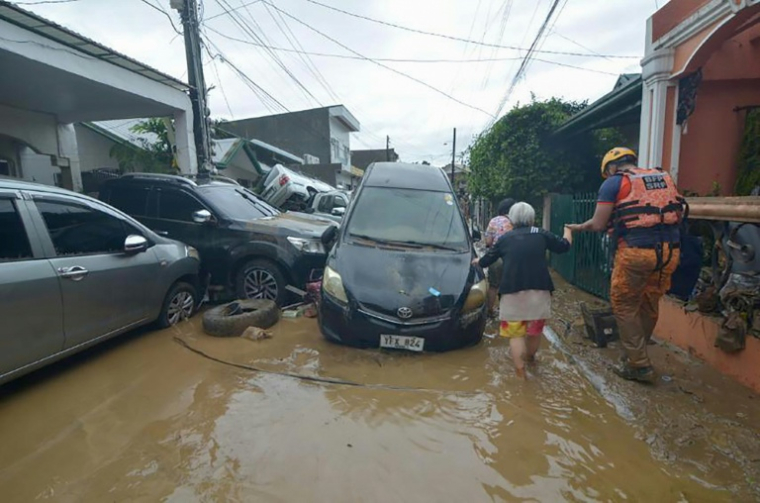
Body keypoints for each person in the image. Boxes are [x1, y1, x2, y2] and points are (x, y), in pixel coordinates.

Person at [566, 147, 685, 383]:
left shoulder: (614, 183)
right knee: (649, 302)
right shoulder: (662, 177)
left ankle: (638, 365)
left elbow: (599, 224)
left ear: (611, 168)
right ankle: (635, 354)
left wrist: (578, 227)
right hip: (670, 252)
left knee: (624, 305)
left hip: (636, 252)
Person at [474, 202, 572, 379]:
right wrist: (568, 230)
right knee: (534, 331)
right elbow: (564, 246)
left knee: (515, 334)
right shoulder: (541, 234)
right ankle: (531, 359)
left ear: (512, 219)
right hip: (539, 292)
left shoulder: (505, 238)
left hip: (511, 292)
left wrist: (476, 262)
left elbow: (487, 260)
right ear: (532, 218)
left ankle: (520, 372)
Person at [484, 198, 516, 317]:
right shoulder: (515, 222)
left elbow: (488, 242)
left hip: (495, 258)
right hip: (511, 258)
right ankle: (506, 312)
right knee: (509, 286)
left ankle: (489, 310)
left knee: (493, 285)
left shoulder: (493, 221)